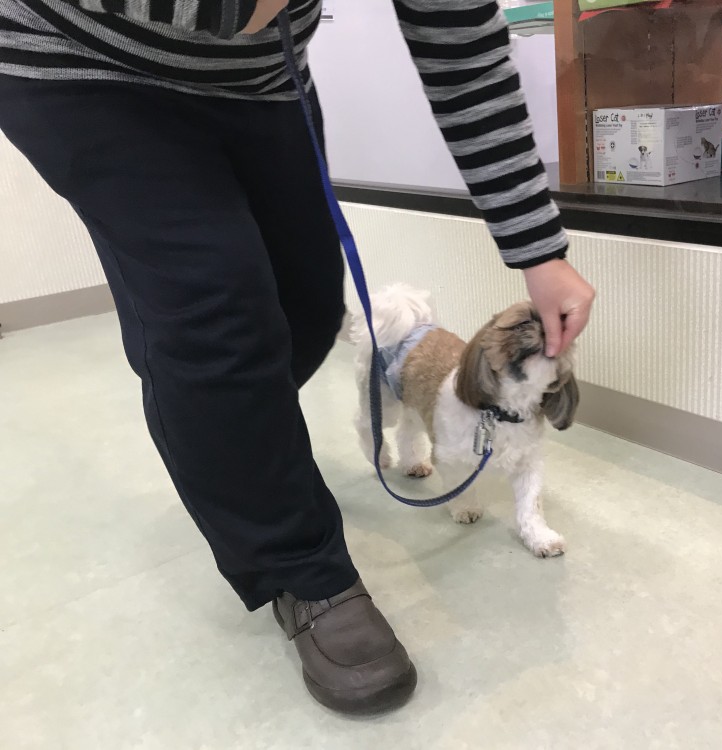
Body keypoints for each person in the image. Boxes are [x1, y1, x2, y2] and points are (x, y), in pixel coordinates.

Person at [0, 0, 595, 715]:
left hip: (264, 83)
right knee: (215, 315)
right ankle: (306, 571)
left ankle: (222, 431)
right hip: (87, 68)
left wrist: (538, 248)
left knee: (307, 314)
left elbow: (461, 43)